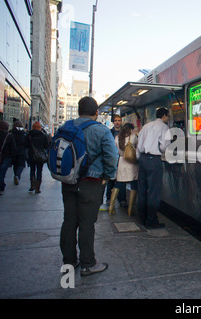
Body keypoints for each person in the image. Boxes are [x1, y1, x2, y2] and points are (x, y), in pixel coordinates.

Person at [59, 96, 118, 276]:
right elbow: (112, 157)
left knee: (69, 221)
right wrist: (107, 177)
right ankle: (88, 263)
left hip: (68, 181)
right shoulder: (101, 130)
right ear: (96, 113)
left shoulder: (65, 127)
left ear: (78, 110)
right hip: (91, 183)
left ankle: (69, 261)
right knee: (87, 223)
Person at [136, 108, 171, 229]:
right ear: (164, 116)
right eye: (168, 116)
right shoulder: (164, 127)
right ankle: (151, 221)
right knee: (153, 192)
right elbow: (164, 147)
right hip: (153, 160)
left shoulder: (146, 126)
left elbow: (139, 144)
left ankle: (142, 218)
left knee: (142, 190)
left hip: (142, 160)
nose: (168, 119)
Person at [109, 122, 138, 216]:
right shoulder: (133, 137)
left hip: (121, 162)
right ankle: (130, 210)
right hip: (132, 163)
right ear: (130, 129)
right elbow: (139, 148)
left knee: (118, 184)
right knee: (134, 184)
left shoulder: (117, 138)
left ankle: (111, 207)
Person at [100, 114, 126, 210]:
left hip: (122, 159)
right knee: (110, 179)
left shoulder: (125, 132)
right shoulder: (109, 132)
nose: (117, 122)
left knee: (121, 180)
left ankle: (122, 199)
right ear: (113, 122)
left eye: (119, 120)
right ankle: (109, 199)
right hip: (112, 159)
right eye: (116, 120)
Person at [26, 121, 49, 194]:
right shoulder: (43, 136)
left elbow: (25, 145)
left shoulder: (29, 135)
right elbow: (46, 146)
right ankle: (37, 188)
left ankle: (32, 185)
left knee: (32, 169)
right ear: (39, 128)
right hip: (40, 156)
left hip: (31, 155)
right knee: (39, 170)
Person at [0, 121, 16, 196]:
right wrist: (13, 159)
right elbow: (13, 148)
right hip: (6, 157)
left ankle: (1, 185)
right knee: (1, 173)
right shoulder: (9, 136)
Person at [11, 121, 27, 185]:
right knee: (21, 165)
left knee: (15, 165)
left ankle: (16, 175)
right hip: (22, 151)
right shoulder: (23, 134)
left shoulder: (12, 133)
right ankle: (17, 175)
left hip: (14, 151)